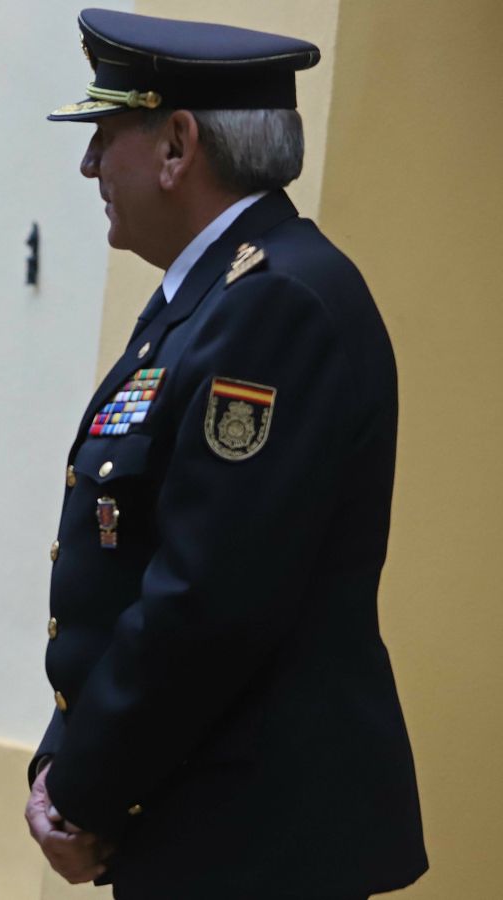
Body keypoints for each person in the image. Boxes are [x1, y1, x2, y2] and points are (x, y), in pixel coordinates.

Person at [25, 10, 426, 898]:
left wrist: (86, 791)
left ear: (176, 144)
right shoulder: (210, 295)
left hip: (253, 837)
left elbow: (209, 599)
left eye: (105, 132)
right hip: (197, 818)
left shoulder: (272, 302)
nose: (90, 164)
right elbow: (123, 566)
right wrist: (68, 763)